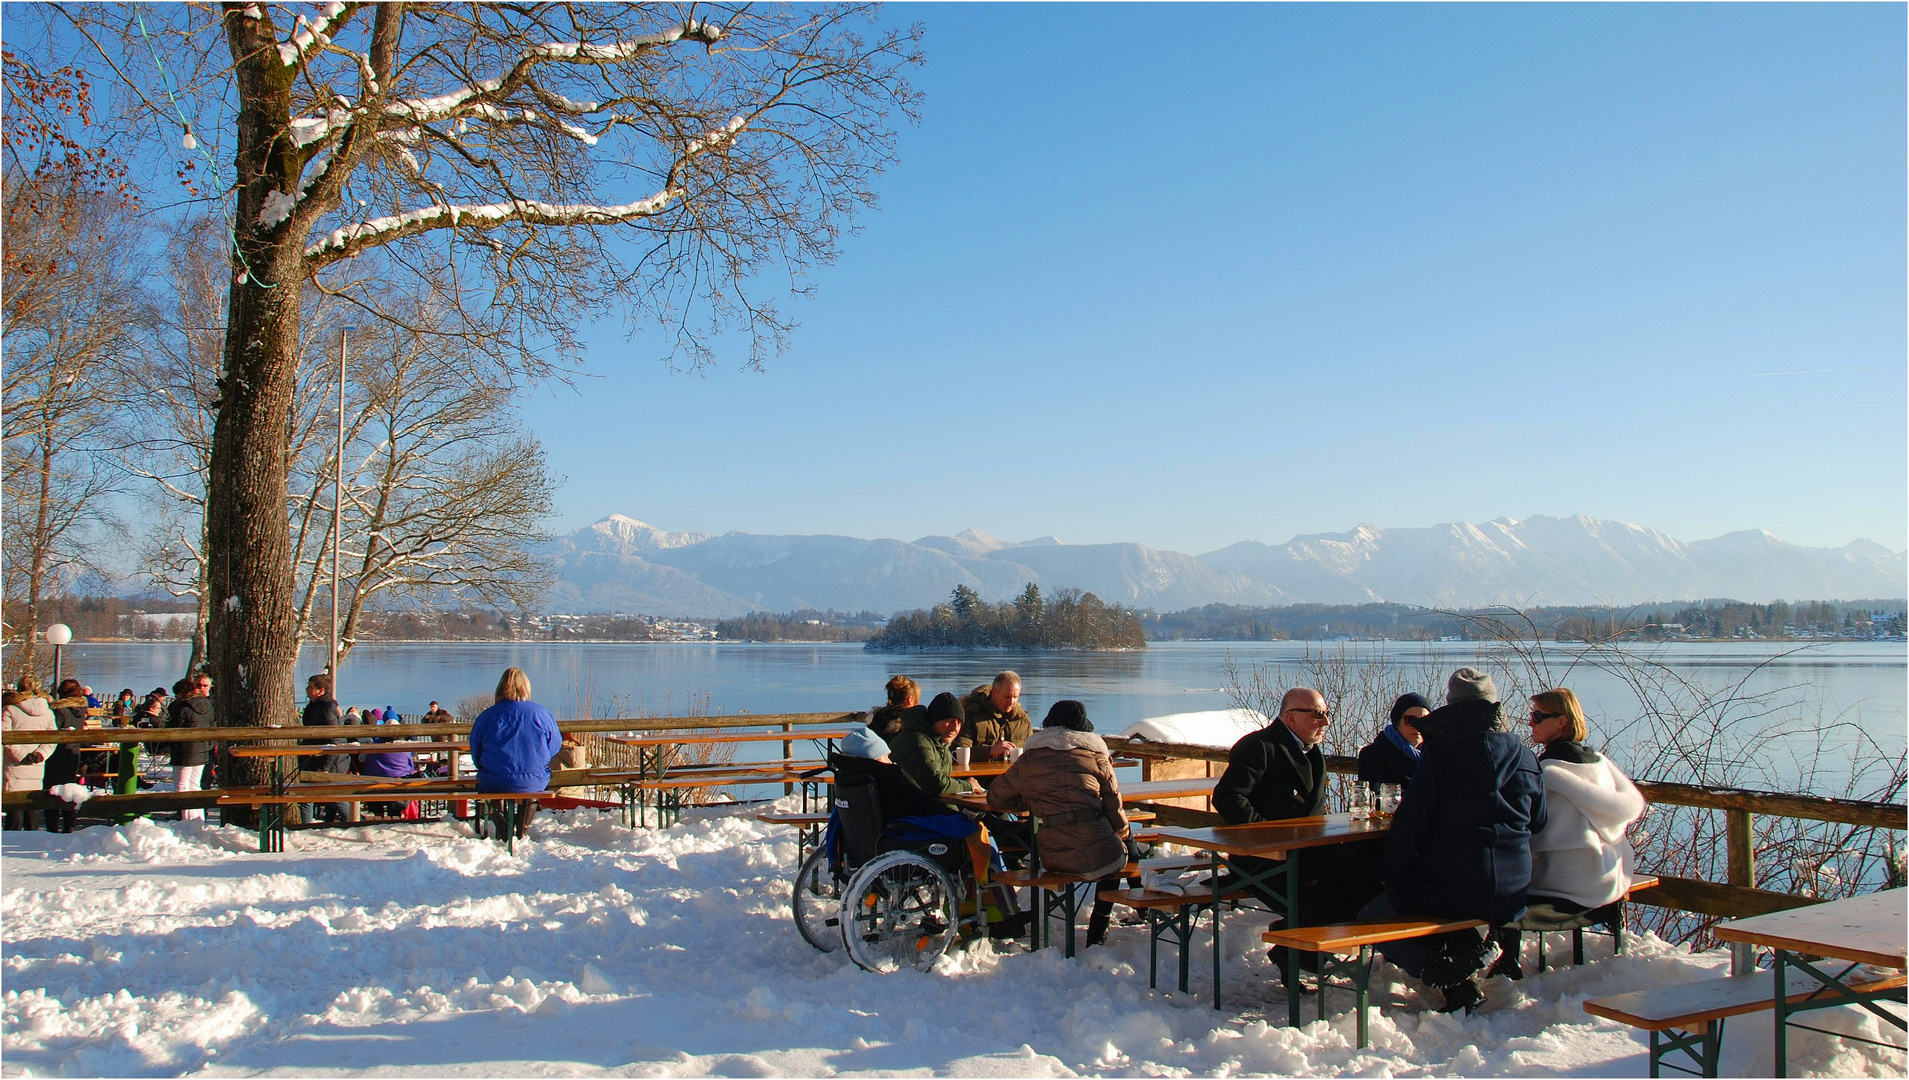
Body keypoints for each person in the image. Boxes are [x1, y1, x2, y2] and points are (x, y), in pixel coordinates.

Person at [1358, 667, 1546, 1013]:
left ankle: (1443, 973)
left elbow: (1411, 823)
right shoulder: (1524, 755)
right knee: (1448, 901)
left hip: (1454, 882)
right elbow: (1538, 820)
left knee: (1373, 914)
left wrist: (1392, 873)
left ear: (1451, 705)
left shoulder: (1442, 755)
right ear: (1495, 707)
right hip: (1514, 886)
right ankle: (1472, 961)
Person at [1214, 686, 1376, 983]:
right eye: (1317, 715)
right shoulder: (1259, 747)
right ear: (1290, 717)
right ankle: (1293, 947)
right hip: (1264, 858)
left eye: (1326, 715)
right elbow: (1228, 798)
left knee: (1366, 880)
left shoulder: (1312, 753)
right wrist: (1269, 834)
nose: (1325, 722)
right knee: (1318, 894)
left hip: (1311, 851)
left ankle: (1296, 946)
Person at [986, 700, 1132, 947]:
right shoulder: (1097, 757)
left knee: (1114, 848)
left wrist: (1034, 802)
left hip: (1054, 855)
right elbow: (1115, 811)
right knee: (1120, 852)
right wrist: (1124, 834)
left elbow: (995, 797)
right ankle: (1098, 928)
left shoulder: (1029, 760)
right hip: (1099, 854)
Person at [1525, 688, 1645, 914]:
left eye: (1537, 716)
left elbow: (1532, 831)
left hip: (1568, 885)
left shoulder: (1547, 771)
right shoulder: (1599, 763)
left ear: (1561, 722)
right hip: (1611, 879)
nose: (1531, 723)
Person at [468, 667, 561, 838]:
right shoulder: (541, 714)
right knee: (531, 789)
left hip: (493, 779)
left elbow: (476, 749)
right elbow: (555, 745)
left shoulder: (487, 716)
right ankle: (521, 831)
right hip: (533, 779)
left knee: (491, 787)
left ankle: (503, 829)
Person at [889, 691, 975, 799]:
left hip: (925, 803)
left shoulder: (941, 744)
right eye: (949, 720)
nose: (955, 728)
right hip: (908, 806)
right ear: (934, 720)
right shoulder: (916, 740)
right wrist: (969, 786)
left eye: (959, 723)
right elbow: (936, 784)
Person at [3, 683, 57, 830]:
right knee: (33, 806)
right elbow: (53, 739)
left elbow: (5, 736)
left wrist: (21, 755)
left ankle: (12, 840)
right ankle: (32, 836)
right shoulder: (47, 712)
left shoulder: (10, 709)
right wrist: (40, 754)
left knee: (14, 807)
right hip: (37, 766)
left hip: (15, 765)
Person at [42, 679, 92, 833]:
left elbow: (52, 731)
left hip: (57, 753)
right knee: (69, 787)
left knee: (51, 789)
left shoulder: (59, 710)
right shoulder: (81, 710)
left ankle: (52, 824)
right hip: (73, 753)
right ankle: (69, 823)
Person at [299, 673, 348, 824]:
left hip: (327, 761)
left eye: (311, 687)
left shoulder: (326, 709)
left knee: (333, 796)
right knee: (307, 796)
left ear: (320, 690)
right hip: (314, 759)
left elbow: (333, 739)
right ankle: (306, 827)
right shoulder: (314, 707)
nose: (307, 690)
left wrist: (325, 765)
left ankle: (355, 822)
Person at [167, 673, 216, 820]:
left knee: (182, 787)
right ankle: (198, 820)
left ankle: (186, 820)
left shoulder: (182, 708)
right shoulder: (207, 705)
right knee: (195, 786)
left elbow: (173, 729)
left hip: (184, 752)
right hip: (202, 750)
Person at [1358, 692, 1430, 791]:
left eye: (1424, 721)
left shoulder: (1435, 756)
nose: (1417, 727)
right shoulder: (1373, 754)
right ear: (1397, 722)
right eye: (1410, 721)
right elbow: (1373, 798)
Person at [958, 672, 1031, 762]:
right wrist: (989, 751)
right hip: (980, 774)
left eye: (1015, 697)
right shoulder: (972, 715)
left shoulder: (1022, 720)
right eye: (1007, 697)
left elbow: (1033, 751)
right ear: (994, 692)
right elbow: (960, 751)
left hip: (1015, 774)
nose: (1011, 702)